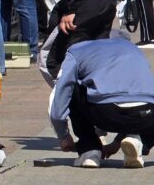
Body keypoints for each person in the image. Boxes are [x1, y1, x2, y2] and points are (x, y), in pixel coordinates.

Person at [50, 35, 154, 168]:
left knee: (73, 86)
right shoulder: (132, 48)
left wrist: (63, 135)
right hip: (148, 115)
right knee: (138, 101)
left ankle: (89, 151)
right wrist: (117, 143)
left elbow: (62, 92)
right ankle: (137, 140)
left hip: (106, 113)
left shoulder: (75, 51)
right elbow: (132, 99)